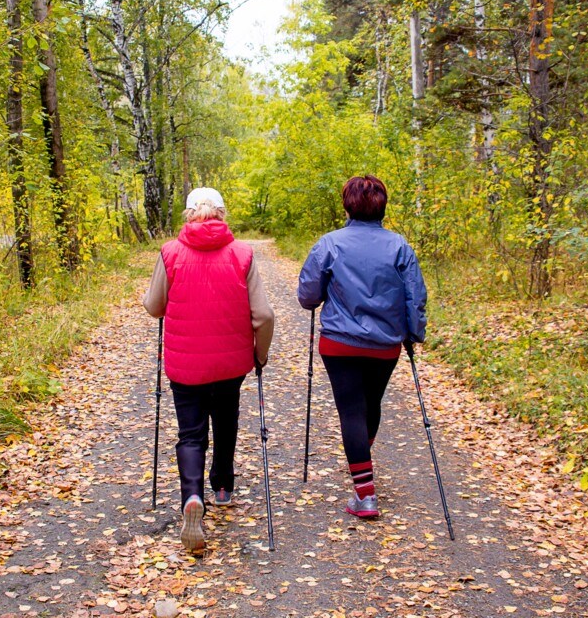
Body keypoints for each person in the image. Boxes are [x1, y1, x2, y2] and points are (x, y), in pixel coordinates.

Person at [143, 187, 275, 554]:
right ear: (222, 214)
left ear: (188, 215)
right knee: (226, 420)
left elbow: (155, 307)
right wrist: (259, 356)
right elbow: (263, 316)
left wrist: (150, 297)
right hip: (231, 365)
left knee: (190, 434)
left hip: (185, 365)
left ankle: (191, 496)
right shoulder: (242, 254)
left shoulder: (170, 253)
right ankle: (222, 487)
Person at [296, 175, 427, 520]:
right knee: (370, 405)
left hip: (339, 343)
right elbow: (415, 297)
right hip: (385, 345)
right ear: (383, 204)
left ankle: (364, 491)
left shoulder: (329, 244)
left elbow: (308, 297)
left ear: (347, 204)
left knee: (352, 411)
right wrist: (414, 334)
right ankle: (362, 468)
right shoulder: (400, 247)